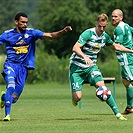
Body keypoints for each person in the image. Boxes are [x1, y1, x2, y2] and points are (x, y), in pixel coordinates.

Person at [0, 12, 72, 121]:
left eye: (26, 22)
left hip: (23, 68)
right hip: (10, 65)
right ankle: (7, 115)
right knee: (11, 85)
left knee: (13, 98)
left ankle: (3, 98)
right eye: (22, 22)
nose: (25, 24)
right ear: (16, 22)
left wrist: (63, 31)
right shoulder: (7, 34)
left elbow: (51, 36)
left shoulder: (32, 33)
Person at [69, 13, 133, 121]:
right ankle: (74, 99)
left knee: (103, 88)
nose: (102, 29)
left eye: (104, 26)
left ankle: (118, 114)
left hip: (91, 67)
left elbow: (116, 46)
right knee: (78, 97)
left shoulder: (105, 37)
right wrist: (85, 57)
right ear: (96, 24)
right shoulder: (88, 34)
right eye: (100, 26)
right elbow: (75, 48)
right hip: (77, 67)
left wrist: (131, 51)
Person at [111, 9, 133, 114]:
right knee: (126, 81)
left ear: (121, 17)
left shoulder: (118, 29)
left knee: (131, 80)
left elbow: (118, 46)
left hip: (126, 58)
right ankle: (130, 107)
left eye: (115, 16)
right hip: (128, 57)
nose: (113, 18)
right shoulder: (127, 26)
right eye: (112, 16)